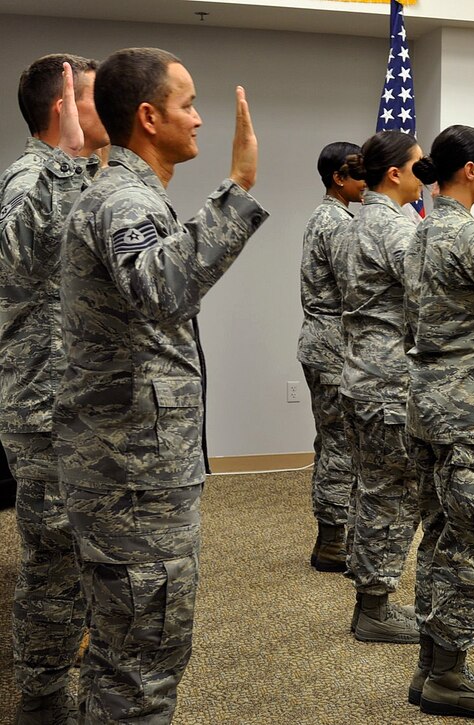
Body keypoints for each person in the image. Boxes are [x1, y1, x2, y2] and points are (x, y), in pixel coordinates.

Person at [56, 47, 267, 721]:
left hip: (129, 468)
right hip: (132, 478)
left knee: (125, 648)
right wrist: (237, 186)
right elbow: (163, 290)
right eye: (188, 104)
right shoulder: (122, 200)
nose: (200, 119)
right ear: (149, 117)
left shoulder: (131, 195)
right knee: (143, 655)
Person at [0, 53, 109, 724]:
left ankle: (71, 667)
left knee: (80, 554)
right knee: (51, 559)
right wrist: (68, 159)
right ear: (60, 108)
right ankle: (39, 699)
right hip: (46, 410)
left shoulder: (88, 176)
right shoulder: (30, 177)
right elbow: (23, 252)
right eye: (93, 98)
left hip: (87, 406)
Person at [404, 124, 474, 718]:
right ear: (468, 170)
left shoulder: (421, 232)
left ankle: (431, 667)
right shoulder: (464, 240)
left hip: (425, 403)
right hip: (467, 411)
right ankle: (447, 673)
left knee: (441, 538)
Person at [329, 131, 422, 644]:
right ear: (395, 173)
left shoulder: (368, 217)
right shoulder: (388, 225)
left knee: (375, 491)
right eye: (418, 165)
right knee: (392, 495)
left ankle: (372, 596)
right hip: (387, 382)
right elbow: (434, 282)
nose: (424, 174)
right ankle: (374, 609)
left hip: (366, 374)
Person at [296, 141, 364, 572]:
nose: (367, 182)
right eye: (360, 174)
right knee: (341, 446)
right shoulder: (336, 224)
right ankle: (333, 541)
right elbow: (355, 287)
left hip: (324, 343)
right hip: (334, 347)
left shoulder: (328, 217)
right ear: (338, 178)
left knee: (333, 442)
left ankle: (333, 533)